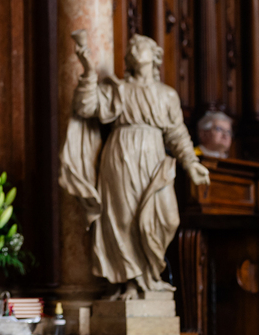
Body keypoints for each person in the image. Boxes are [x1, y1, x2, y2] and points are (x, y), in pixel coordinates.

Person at [61, 32, 210, 300]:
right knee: (123, 218)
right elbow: (85, 107)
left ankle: (150, 276)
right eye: (131, 46)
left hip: (154, 159)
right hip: (121, 158)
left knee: (167, 218)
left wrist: (191, 163)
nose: (134, 48)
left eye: (140, 45)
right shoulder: (118, 89)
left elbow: (176, 133)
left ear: (155, 56)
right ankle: (130, 281)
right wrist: (89, 70)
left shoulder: (167, 95)